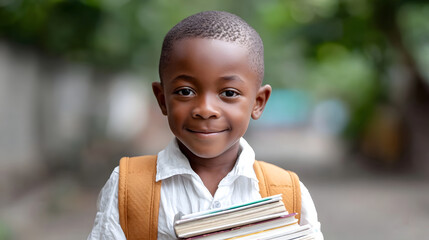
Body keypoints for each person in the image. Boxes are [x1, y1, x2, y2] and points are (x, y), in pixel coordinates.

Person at [88, 11, 323, 240]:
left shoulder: (287, 193)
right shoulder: (129, 188)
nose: (205, 109)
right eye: (185, 91)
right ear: (162, 99)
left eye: (229, 93)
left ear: (258, 102)